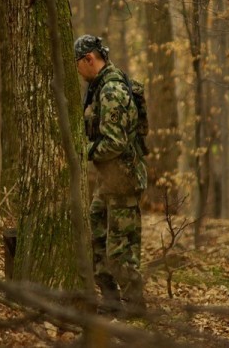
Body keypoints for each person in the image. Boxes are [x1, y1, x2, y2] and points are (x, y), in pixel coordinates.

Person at [74, 34, 147, 315]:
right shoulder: (100, 86)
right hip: (109, 180)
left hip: (124, 181)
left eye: (78, 64)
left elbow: (115, 143)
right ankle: (111, 300)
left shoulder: (111, 90)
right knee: (96, 238)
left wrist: (84, 150)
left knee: (121, 250)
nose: (78, 71)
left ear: (89, 59)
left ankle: (136, 306)